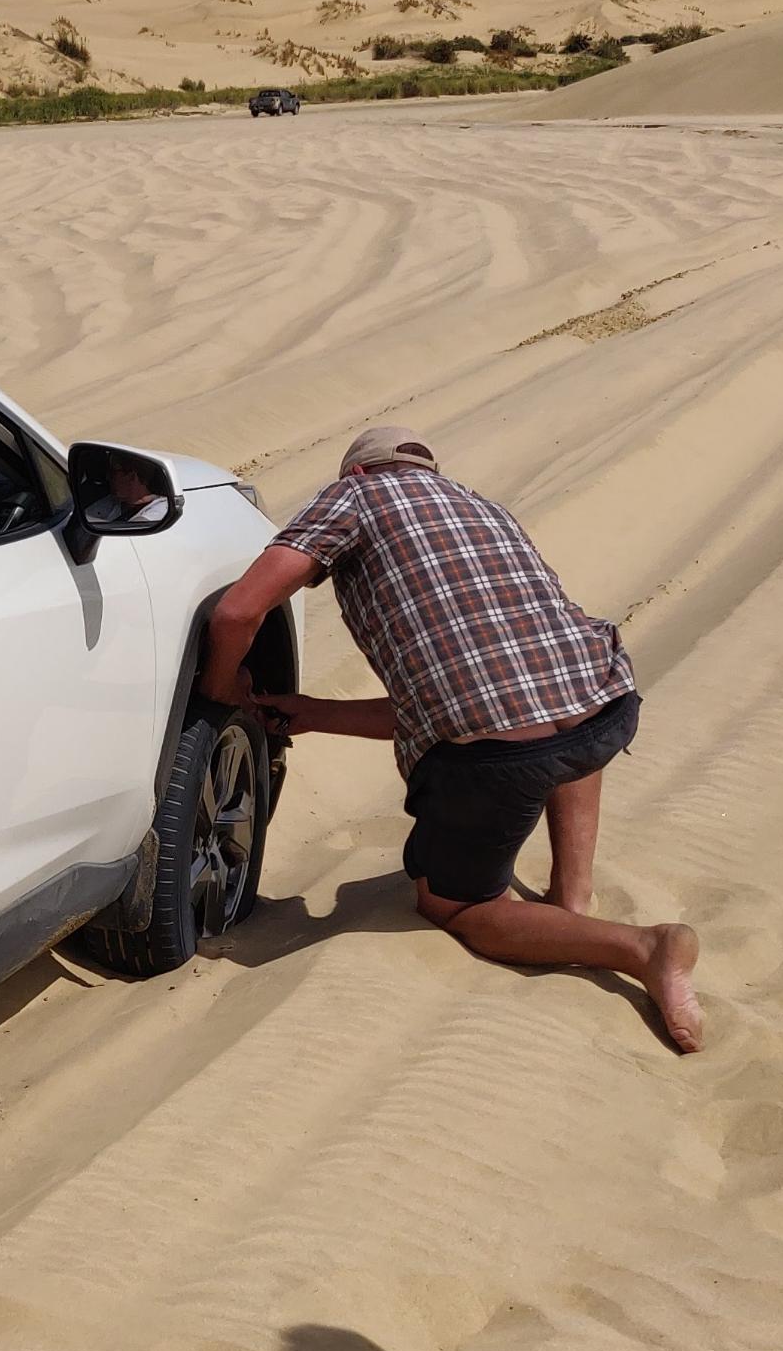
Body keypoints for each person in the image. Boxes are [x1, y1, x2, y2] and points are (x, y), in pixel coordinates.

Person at [202, 424, 701, 1052]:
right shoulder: (483, 506)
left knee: (456, 907)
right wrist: (313, 713)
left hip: (503, 758)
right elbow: (458, 698)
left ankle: (644, 948)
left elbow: (237, 612)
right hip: (607, 706)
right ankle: (571, 898)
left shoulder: (356, 495)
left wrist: (222, 687)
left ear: (357, 471)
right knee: (552, 699)